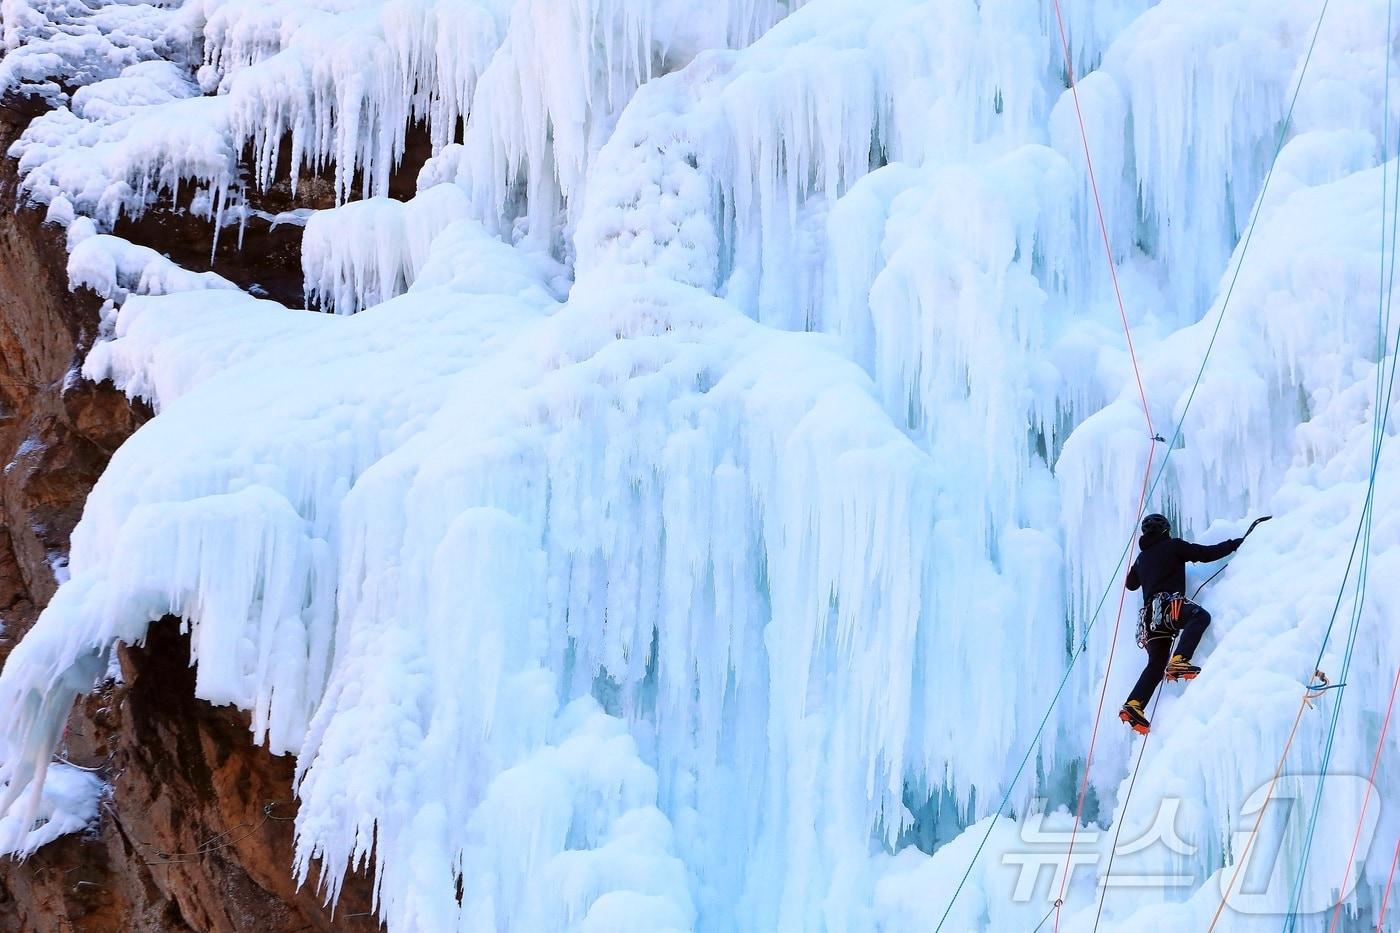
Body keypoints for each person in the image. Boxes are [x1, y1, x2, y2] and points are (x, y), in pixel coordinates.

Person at [1117, 512, 1260, 735]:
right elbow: (1203, 554)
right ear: (1165, 530)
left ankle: (1134, 704)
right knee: (1199, 617)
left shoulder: (1141, 559)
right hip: (1168, 608)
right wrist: (1235, 544)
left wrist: (1142, 564)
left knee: (1155, 664)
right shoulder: (1173, 546)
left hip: (1150, 622)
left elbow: (1130, 584)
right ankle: (1180, 660)